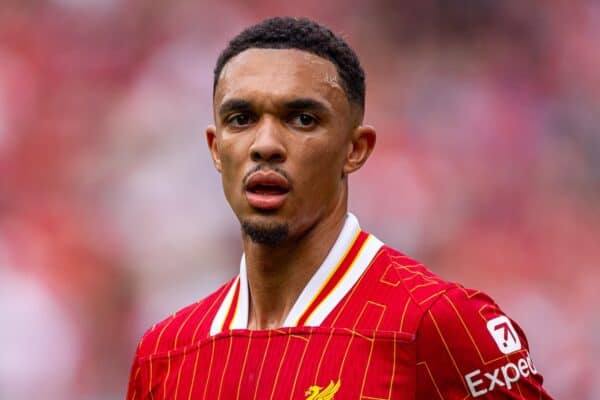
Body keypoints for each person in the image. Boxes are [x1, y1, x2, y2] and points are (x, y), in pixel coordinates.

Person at [126, 17, 553, 399]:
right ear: (216, 149)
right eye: (241, 118)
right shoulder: (166, 353)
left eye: (302, 119)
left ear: (355, 149)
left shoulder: (435, 324)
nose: (266, 145)